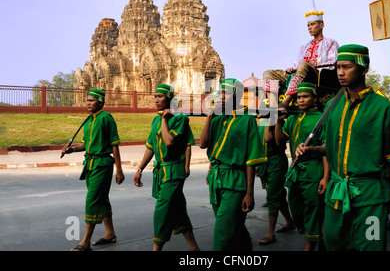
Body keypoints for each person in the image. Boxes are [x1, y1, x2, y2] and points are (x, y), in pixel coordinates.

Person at [297, 44, 390, 251]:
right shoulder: (335, 106)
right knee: (335, 245)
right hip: (336, 196)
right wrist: (313, 151)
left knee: (371, 246)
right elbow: (332, 147)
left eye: (347, 67)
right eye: (338, 67)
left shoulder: (382, 107)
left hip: (370, 199)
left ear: (364, 68)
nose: (340, 72)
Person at [199, 78, 268, 251]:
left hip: (236, 180)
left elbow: (251, 159)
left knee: (222, 231)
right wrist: (210, 114)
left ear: (236, 96)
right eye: (220, 92)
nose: (221, 96)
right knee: (234, 226)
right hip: (216, 178)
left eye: (226, 93)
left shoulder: (247, 120)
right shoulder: (216, 119)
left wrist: (249, 193)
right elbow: (203, 144)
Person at [133, 84, 199, 251]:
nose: (156, 100)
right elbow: (150, 147)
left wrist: (164, 120)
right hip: (161, 171)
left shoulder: (179, 118)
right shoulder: (156, 120)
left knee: (162, 210)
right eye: (155, 96)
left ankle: (156, 249)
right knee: (177, 211)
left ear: (170, 99)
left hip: (174, 171)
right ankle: (194, 248)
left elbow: (169, 142)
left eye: (160, 97)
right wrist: (140, 169)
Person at [62, 88, 124, 251]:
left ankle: (85, 241)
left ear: (101, 102)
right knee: (101, 199)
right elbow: (85, 145)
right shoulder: (88, 121)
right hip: (89, 164)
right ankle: (110, 233)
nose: (88, 103)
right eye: (87, 100)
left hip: (102, 165)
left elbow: (114, 145)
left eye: (91, 100)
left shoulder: (106, 118)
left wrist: (119, 169)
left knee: (92, 200)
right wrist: (72, 150)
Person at [275, 82, 329, 251]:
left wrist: (325, 177)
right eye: (298, 97)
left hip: (314, 171)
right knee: (297, 212)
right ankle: (318, 238)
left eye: (305, 96)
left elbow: (327, 150)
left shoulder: (321, 119)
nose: (301, 100)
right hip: (295, 173)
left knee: (313, 211)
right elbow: (278, 141)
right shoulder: (292, 118)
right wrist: (277, 121)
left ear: (315, 98)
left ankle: (309, 246)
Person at [262, 0, 339, 110]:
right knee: (268, 73)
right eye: (308, 25)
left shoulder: (330, 42)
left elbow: (332, 63)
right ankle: (273, 106)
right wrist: (291, 69)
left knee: (303, 65)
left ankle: (285, 103)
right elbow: (296, 64)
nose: (309, 27)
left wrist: (309, 66)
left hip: (318, 76)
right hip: (299, 74)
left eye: (313, 24)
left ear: (322, 25)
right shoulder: (304, 46)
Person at [256, 116, 295, 245]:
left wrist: (273, 119)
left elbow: (269, 138)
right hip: (264, 162)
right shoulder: (262, 121)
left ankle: (270, 232)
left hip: (276, 162)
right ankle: (289, 222)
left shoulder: (280, 122)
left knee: (272, 197)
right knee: (278, 195)